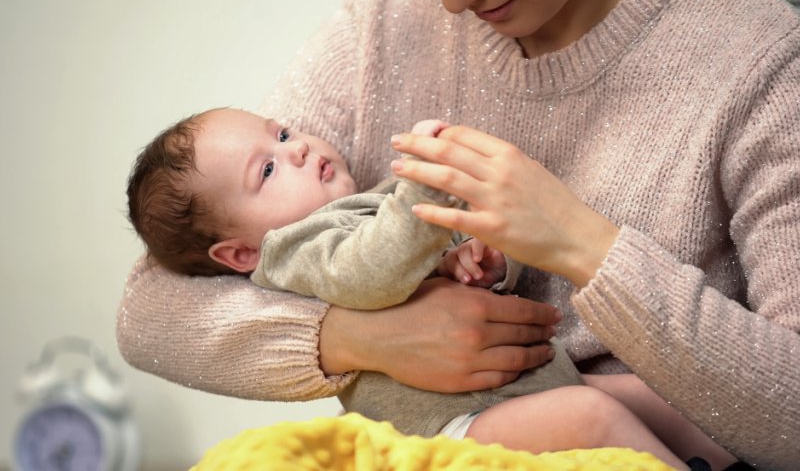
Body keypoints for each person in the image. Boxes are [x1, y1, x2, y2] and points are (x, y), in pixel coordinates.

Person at [116, 0, 800, 469]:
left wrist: (572, 246)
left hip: (550, 387)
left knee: (660, 407)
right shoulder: (380, 33)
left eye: (284, 135)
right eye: (270, 163)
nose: (450, 2)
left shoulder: (758, 59)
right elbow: (150, 312)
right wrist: (362, 339)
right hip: (466, 425)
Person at [127, 107, 736, 469]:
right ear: (240, 252)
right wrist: (426, 191)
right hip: (453, 429)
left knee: (677, 400)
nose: (297, 149)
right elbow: (369, 273)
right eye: (266, 169)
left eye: (282, 135)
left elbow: (430, 260)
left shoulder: (370, 206)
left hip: (529, 389)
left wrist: (482, 263)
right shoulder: (294, 249)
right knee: (591, 417)